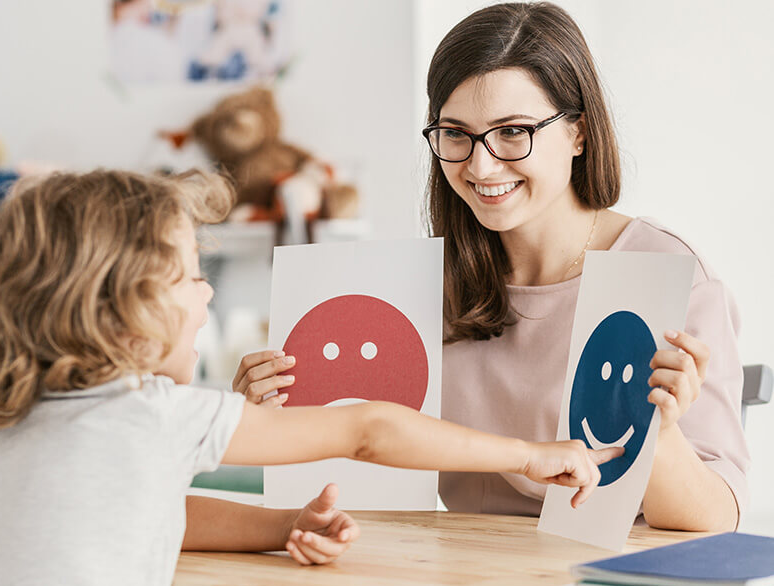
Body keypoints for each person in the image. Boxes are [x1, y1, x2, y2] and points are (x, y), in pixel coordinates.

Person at [0, 169, 617, 586]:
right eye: (187, 276)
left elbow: (156, 512)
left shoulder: (22, 419)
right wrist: (530, 455)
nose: (206, 291)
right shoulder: (151, 414)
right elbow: (368, 429)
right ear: (119, 308)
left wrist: (285, 524)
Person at [238, 2, 749, 532]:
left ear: (579, 132)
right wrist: (271, 415)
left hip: (609, 574)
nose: (480, 166)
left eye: (512, 132)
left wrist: (658, 433)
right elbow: (361, 465)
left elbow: (715, 519)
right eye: (455, 133)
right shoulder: (415, 288)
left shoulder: (669, 275)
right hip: (466, 570)